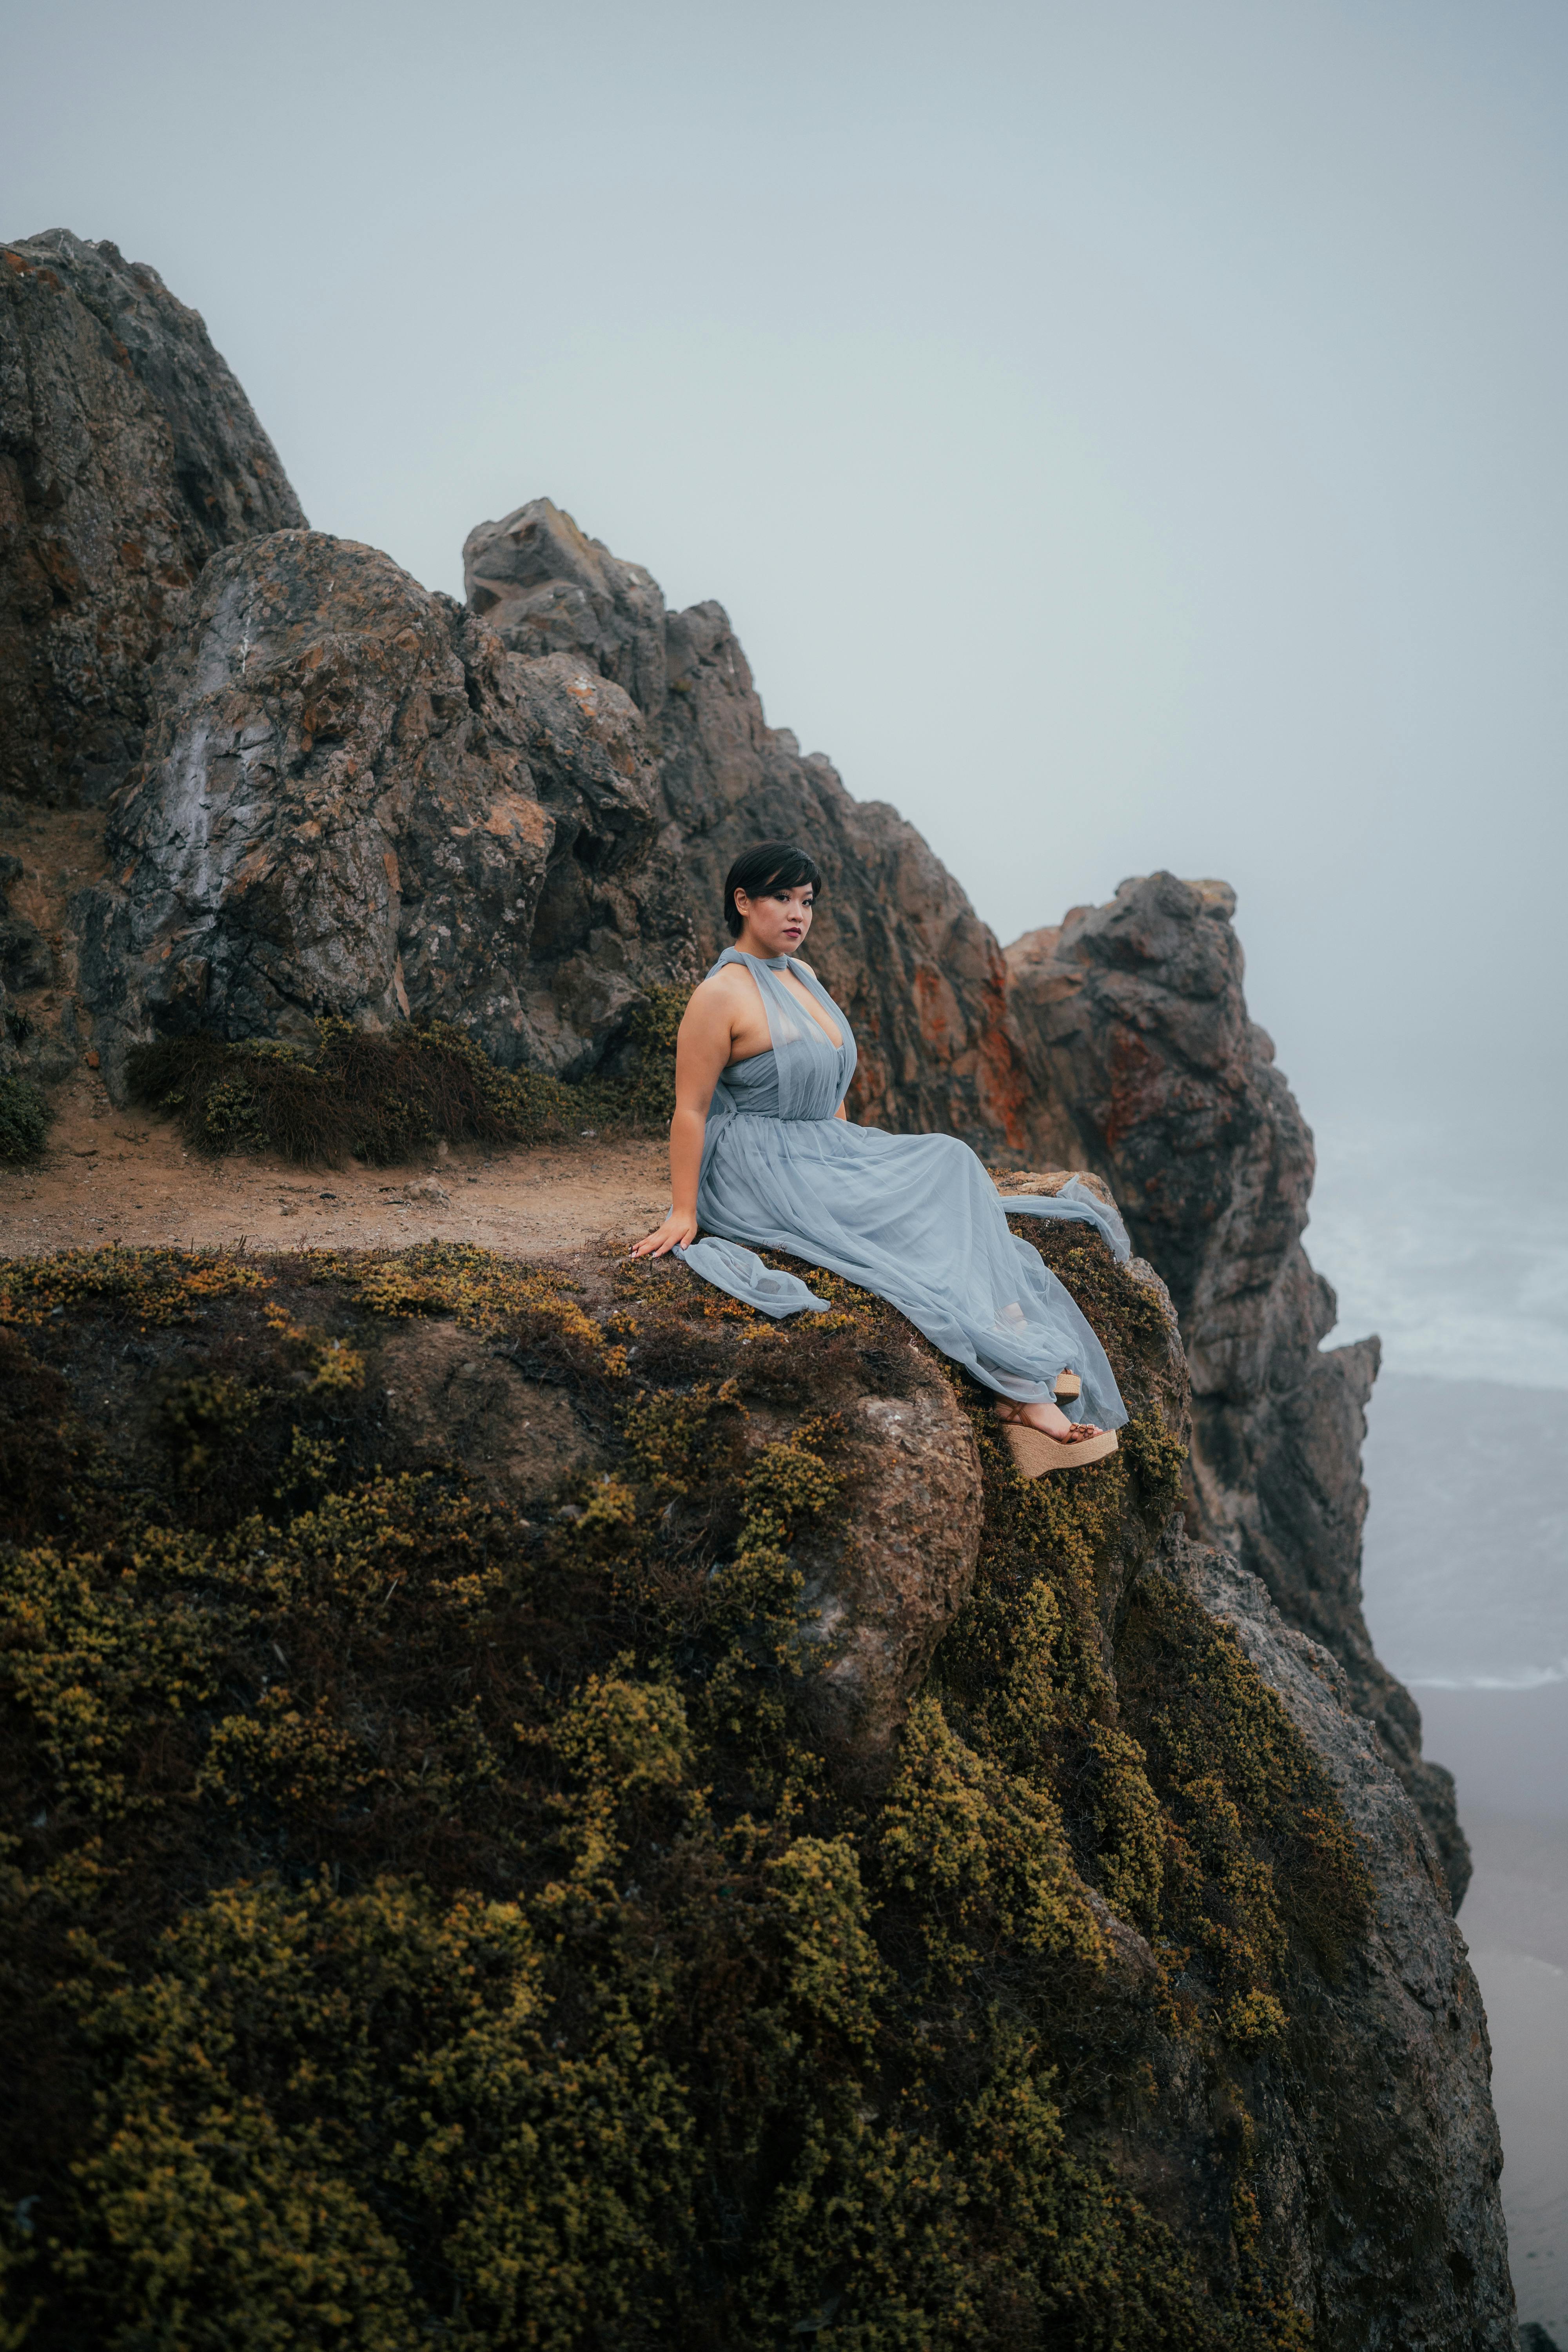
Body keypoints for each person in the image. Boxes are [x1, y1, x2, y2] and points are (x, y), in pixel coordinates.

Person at [632, 842, 1129, 1474]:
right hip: (756, 1162)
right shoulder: (719, 995)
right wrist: (684, 1211)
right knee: (901, 1237)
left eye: (807, 901)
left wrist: (858, 1159)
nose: (798, 914)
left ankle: (1010, 1337)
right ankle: (1024, 1397)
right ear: (743, 902)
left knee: (951, 1161)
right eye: (782, 898)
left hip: (820, 1143)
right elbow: (691, 1110)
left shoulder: (804, 976)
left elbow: (830, 1085)